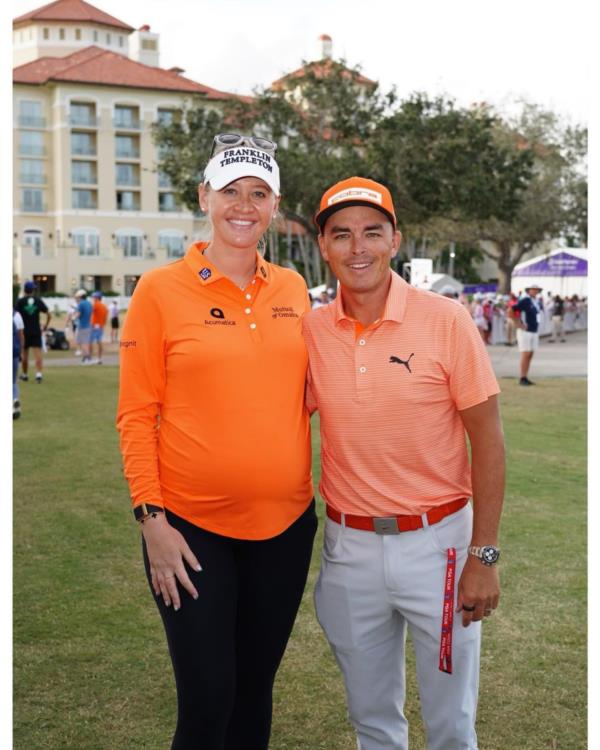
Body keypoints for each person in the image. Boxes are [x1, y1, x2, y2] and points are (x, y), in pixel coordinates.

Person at [116, 133, 317, 750]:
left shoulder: (293, 289)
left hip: (285, 529)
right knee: (208, 702)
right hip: (189, 529)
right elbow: (136, 415)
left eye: (258, 193)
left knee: (254, 695)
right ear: (205, 197)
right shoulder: (159, 289)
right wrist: (152, 521)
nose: (244, 205)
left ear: (274, 206)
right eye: (231, 190)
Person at [303, 177, 505, 750]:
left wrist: (484, 555)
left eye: (372, 232)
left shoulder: (446, 319)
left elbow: (488, 440)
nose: (358, 247)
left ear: (395, 240)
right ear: (323, 246)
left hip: (439, 548)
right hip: (348, 550)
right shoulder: (311, 331)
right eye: (342, 234)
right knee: (372, 721)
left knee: (450, 724)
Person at [15, 280, 51, 383]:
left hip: (23, 331)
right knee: (38, 354)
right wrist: (46, 326)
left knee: (24, 354)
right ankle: (38, 375)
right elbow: (49, 314)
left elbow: (15, 315)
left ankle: (25, 375)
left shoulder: (20, 301)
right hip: (36, 330)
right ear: (33, 290)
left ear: (25, 290)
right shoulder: (38, 300)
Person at [513, 284, 542, 385]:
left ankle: (525, 376)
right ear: (528, 290)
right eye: (533, 289)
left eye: (536, 289)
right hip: (525, 331)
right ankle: (522, 377)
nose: (535, 291)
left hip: (534, 330)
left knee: (530, 354)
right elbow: (512, 310)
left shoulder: (536, 301)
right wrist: (518, 324)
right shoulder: (525, 300)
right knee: (525, 354)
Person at [74, 289, 93, 364]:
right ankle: (85, 358)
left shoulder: (81, 304)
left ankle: (87, 358)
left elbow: (78, 314)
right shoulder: (89, 303)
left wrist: (73, 318)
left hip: (82, 325)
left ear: (80, 296)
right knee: (85, 342)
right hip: (88, 325)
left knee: (83, 342)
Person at [90, 291, 108, 364]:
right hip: (100, 326)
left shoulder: (96, 304)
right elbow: (105, 318)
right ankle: (99, 358)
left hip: (94, 326)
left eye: (93, 297)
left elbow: (90, 311)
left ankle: (89, 358)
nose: (93, 298)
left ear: (97, 298)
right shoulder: (104, 306)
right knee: (99, 342)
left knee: (90, 342)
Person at [13, 309, 25, 419]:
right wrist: (21, 351)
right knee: (13, 381)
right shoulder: (16, 315)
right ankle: (15, 399)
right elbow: (21, 335)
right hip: (14, 352)